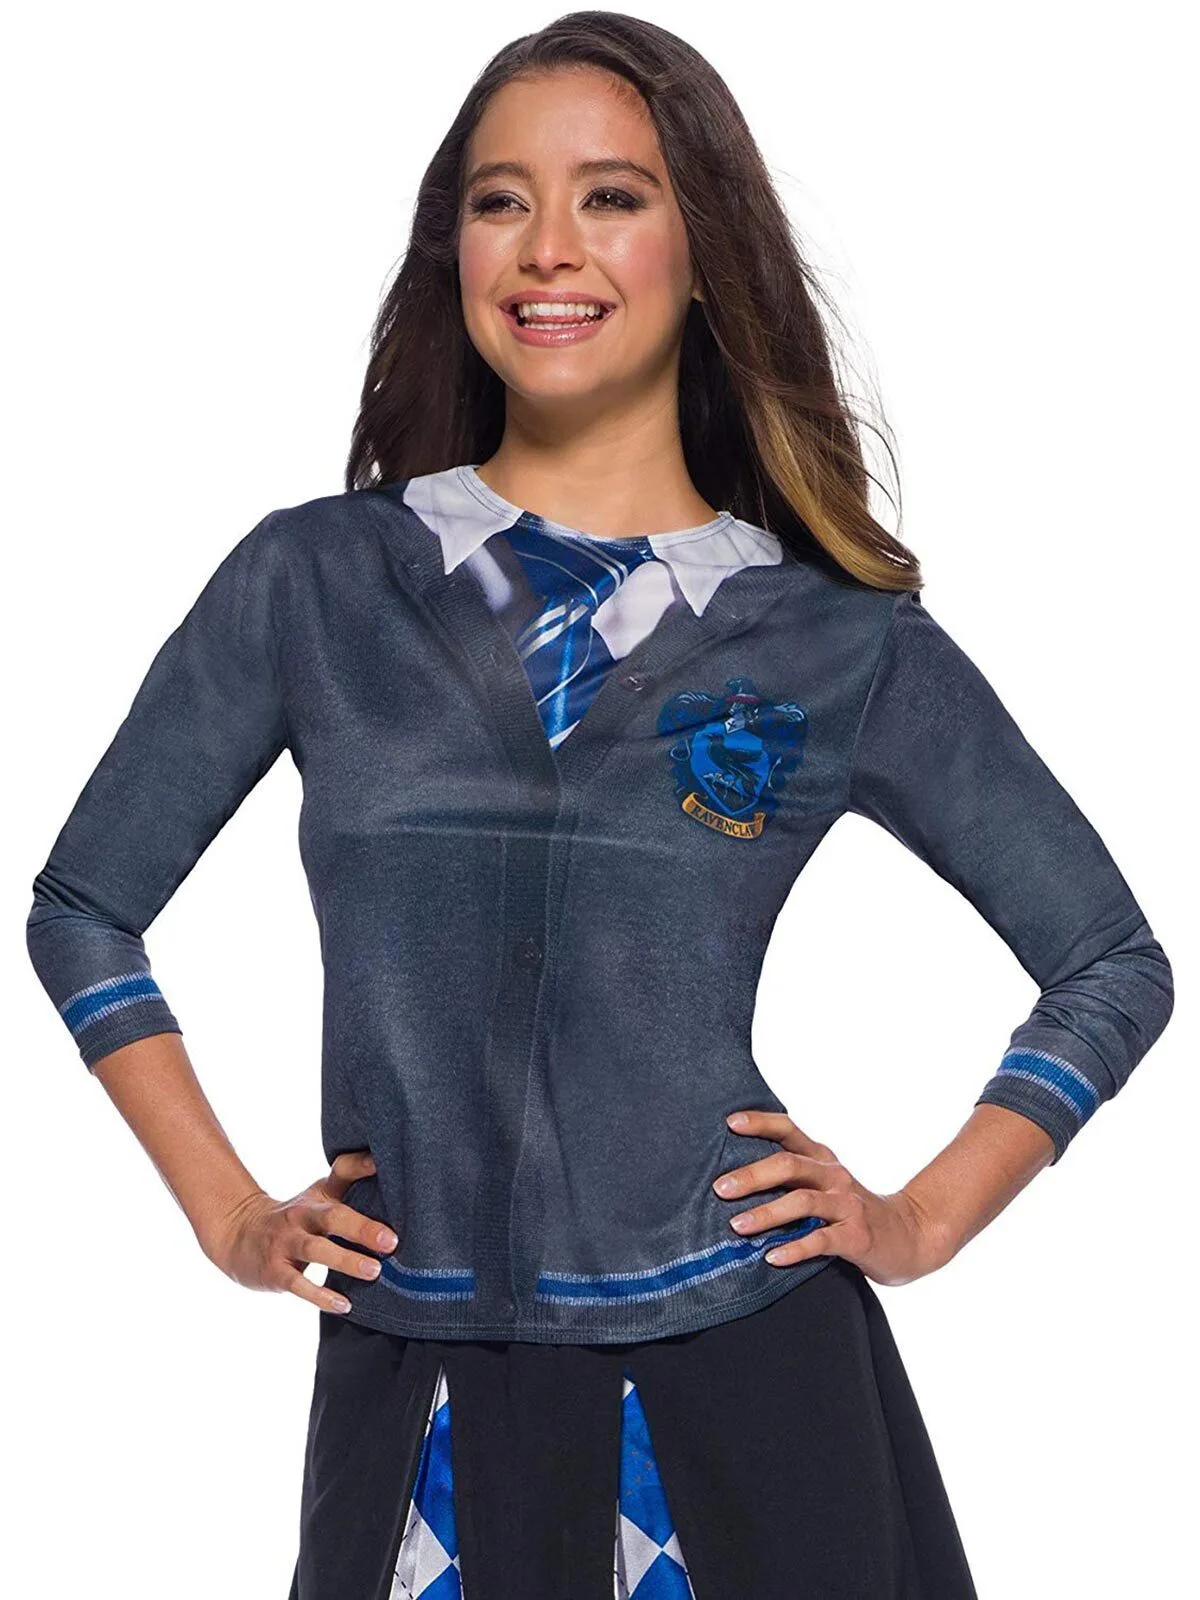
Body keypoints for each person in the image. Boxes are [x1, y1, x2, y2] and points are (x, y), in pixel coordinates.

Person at [24, 12, 1174, 1600]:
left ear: (705, 254)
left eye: (612, 196)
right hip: (422, 1388)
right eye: (500, 200)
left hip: (750, 1370)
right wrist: (226, 1217)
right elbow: (85, 910)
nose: (548, 245)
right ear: (455, 251)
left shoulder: (835, 638)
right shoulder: (316, 582)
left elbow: (1111, 961)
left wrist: (916, 1222)